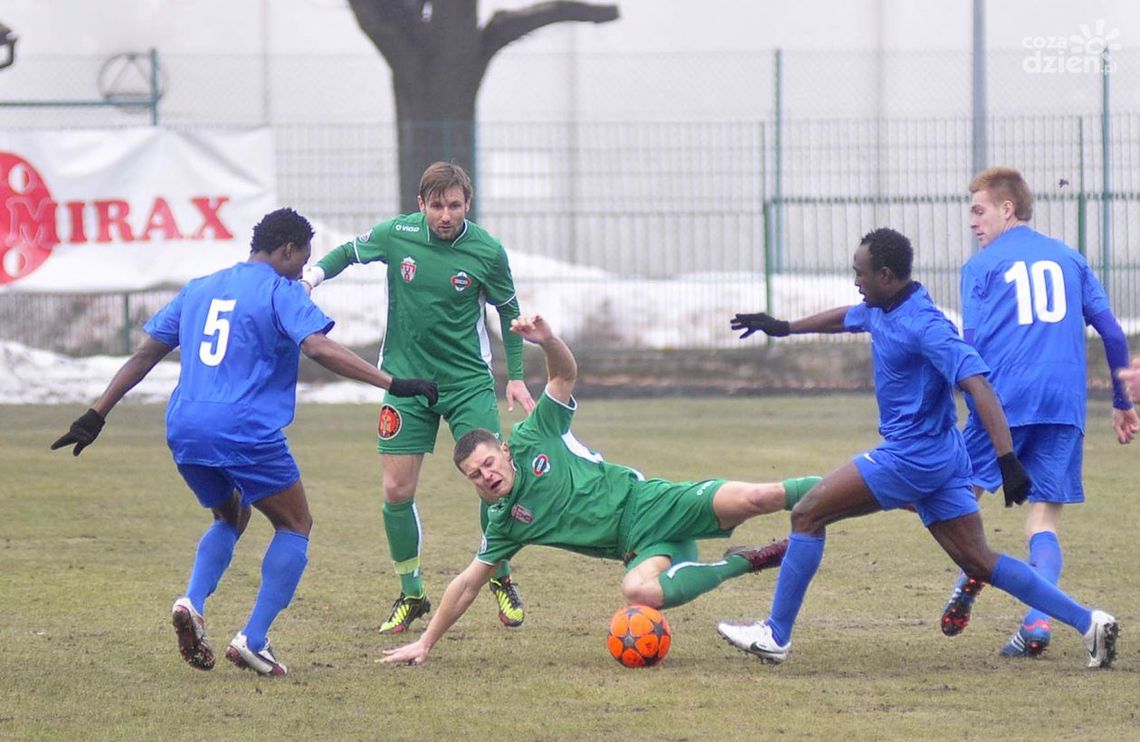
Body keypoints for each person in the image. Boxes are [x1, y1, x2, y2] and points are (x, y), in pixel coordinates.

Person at [50, 208, 439, 677]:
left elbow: (146, 352)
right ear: (288, 250)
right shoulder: (279, 290)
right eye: (301, 261)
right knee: (296, 524)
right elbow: (317, 347)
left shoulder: (201, 287)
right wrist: (393, 383)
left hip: (185, 426)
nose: (301, 273)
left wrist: (96, 414)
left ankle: (191, 601)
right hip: (243, 427)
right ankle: (253, 640)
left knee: (231, 514)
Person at [718, 227, 1119, 669]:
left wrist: (1007, 460)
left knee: (808, 513)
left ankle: (775, 635)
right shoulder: (881, 307)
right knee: (979, 560)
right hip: (943, 459)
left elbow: (979, 386)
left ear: (886, 275)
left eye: (861, 273)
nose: (856, 281)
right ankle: (1090, 622)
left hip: (912, 456)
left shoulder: (926, 326)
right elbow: (845, 317)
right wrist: (783, 327)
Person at [379, 314, 820, 665]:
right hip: (641, 547)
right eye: (475, 475)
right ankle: (743, 563)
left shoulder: (536, 434)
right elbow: (467, 585)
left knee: (759, 498)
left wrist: (549, 341)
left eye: (489, 463)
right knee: (637, 592)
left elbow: (565, 376)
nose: (486, 475)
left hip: (654, 504)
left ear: (506, 452)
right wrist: (427, 643)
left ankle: (850, 489)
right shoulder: (505, 524)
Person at [301, 162, 535, 634]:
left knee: (492, 481)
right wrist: (310, 279)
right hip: (405, 383)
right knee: (396, 490)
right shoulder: (398, 235)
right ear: (420, 204)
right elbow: (348, 251)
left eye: (454, 205)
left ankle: (500, 577)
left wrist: (516, 376)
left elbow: (509, 309)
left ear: (467, 205)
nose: (445, 215)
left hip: (468, 382)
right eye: (436, 206)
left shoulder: (487, 250)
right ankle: (412, 593)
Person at [939, 167, 1138, 658]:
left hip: (1002, 403)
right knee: (1043, 519)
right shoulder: (1070, 258)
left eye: (978, 210)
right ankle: (1036, 623)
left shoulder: (982, 266)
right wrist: (1122, 402)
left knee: (954, 500)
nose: (972, 222)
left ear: (1008, 209)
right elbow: (1113, 335)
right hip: (1063, 402)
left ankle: (973, 571)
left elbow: (970, 343)